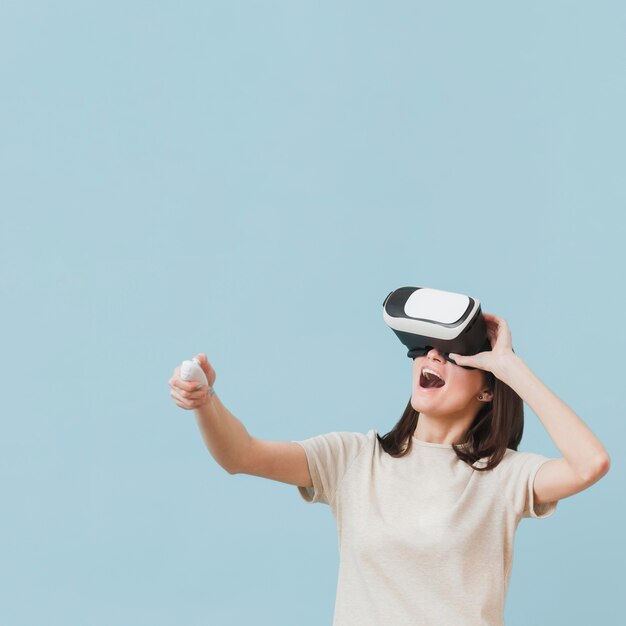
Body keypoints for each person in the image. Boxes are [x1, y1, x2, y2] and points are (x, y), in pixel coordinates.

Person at [168, 312, 610, 626]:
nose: (430, 359)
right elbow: (240, 455)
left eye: (452, 354)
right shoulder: (354, 459)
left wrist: (512, 368)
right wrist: (205, 402)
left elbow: (591, 463)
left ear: (488, 390)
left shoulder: (504, 477)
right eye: (423, 350)